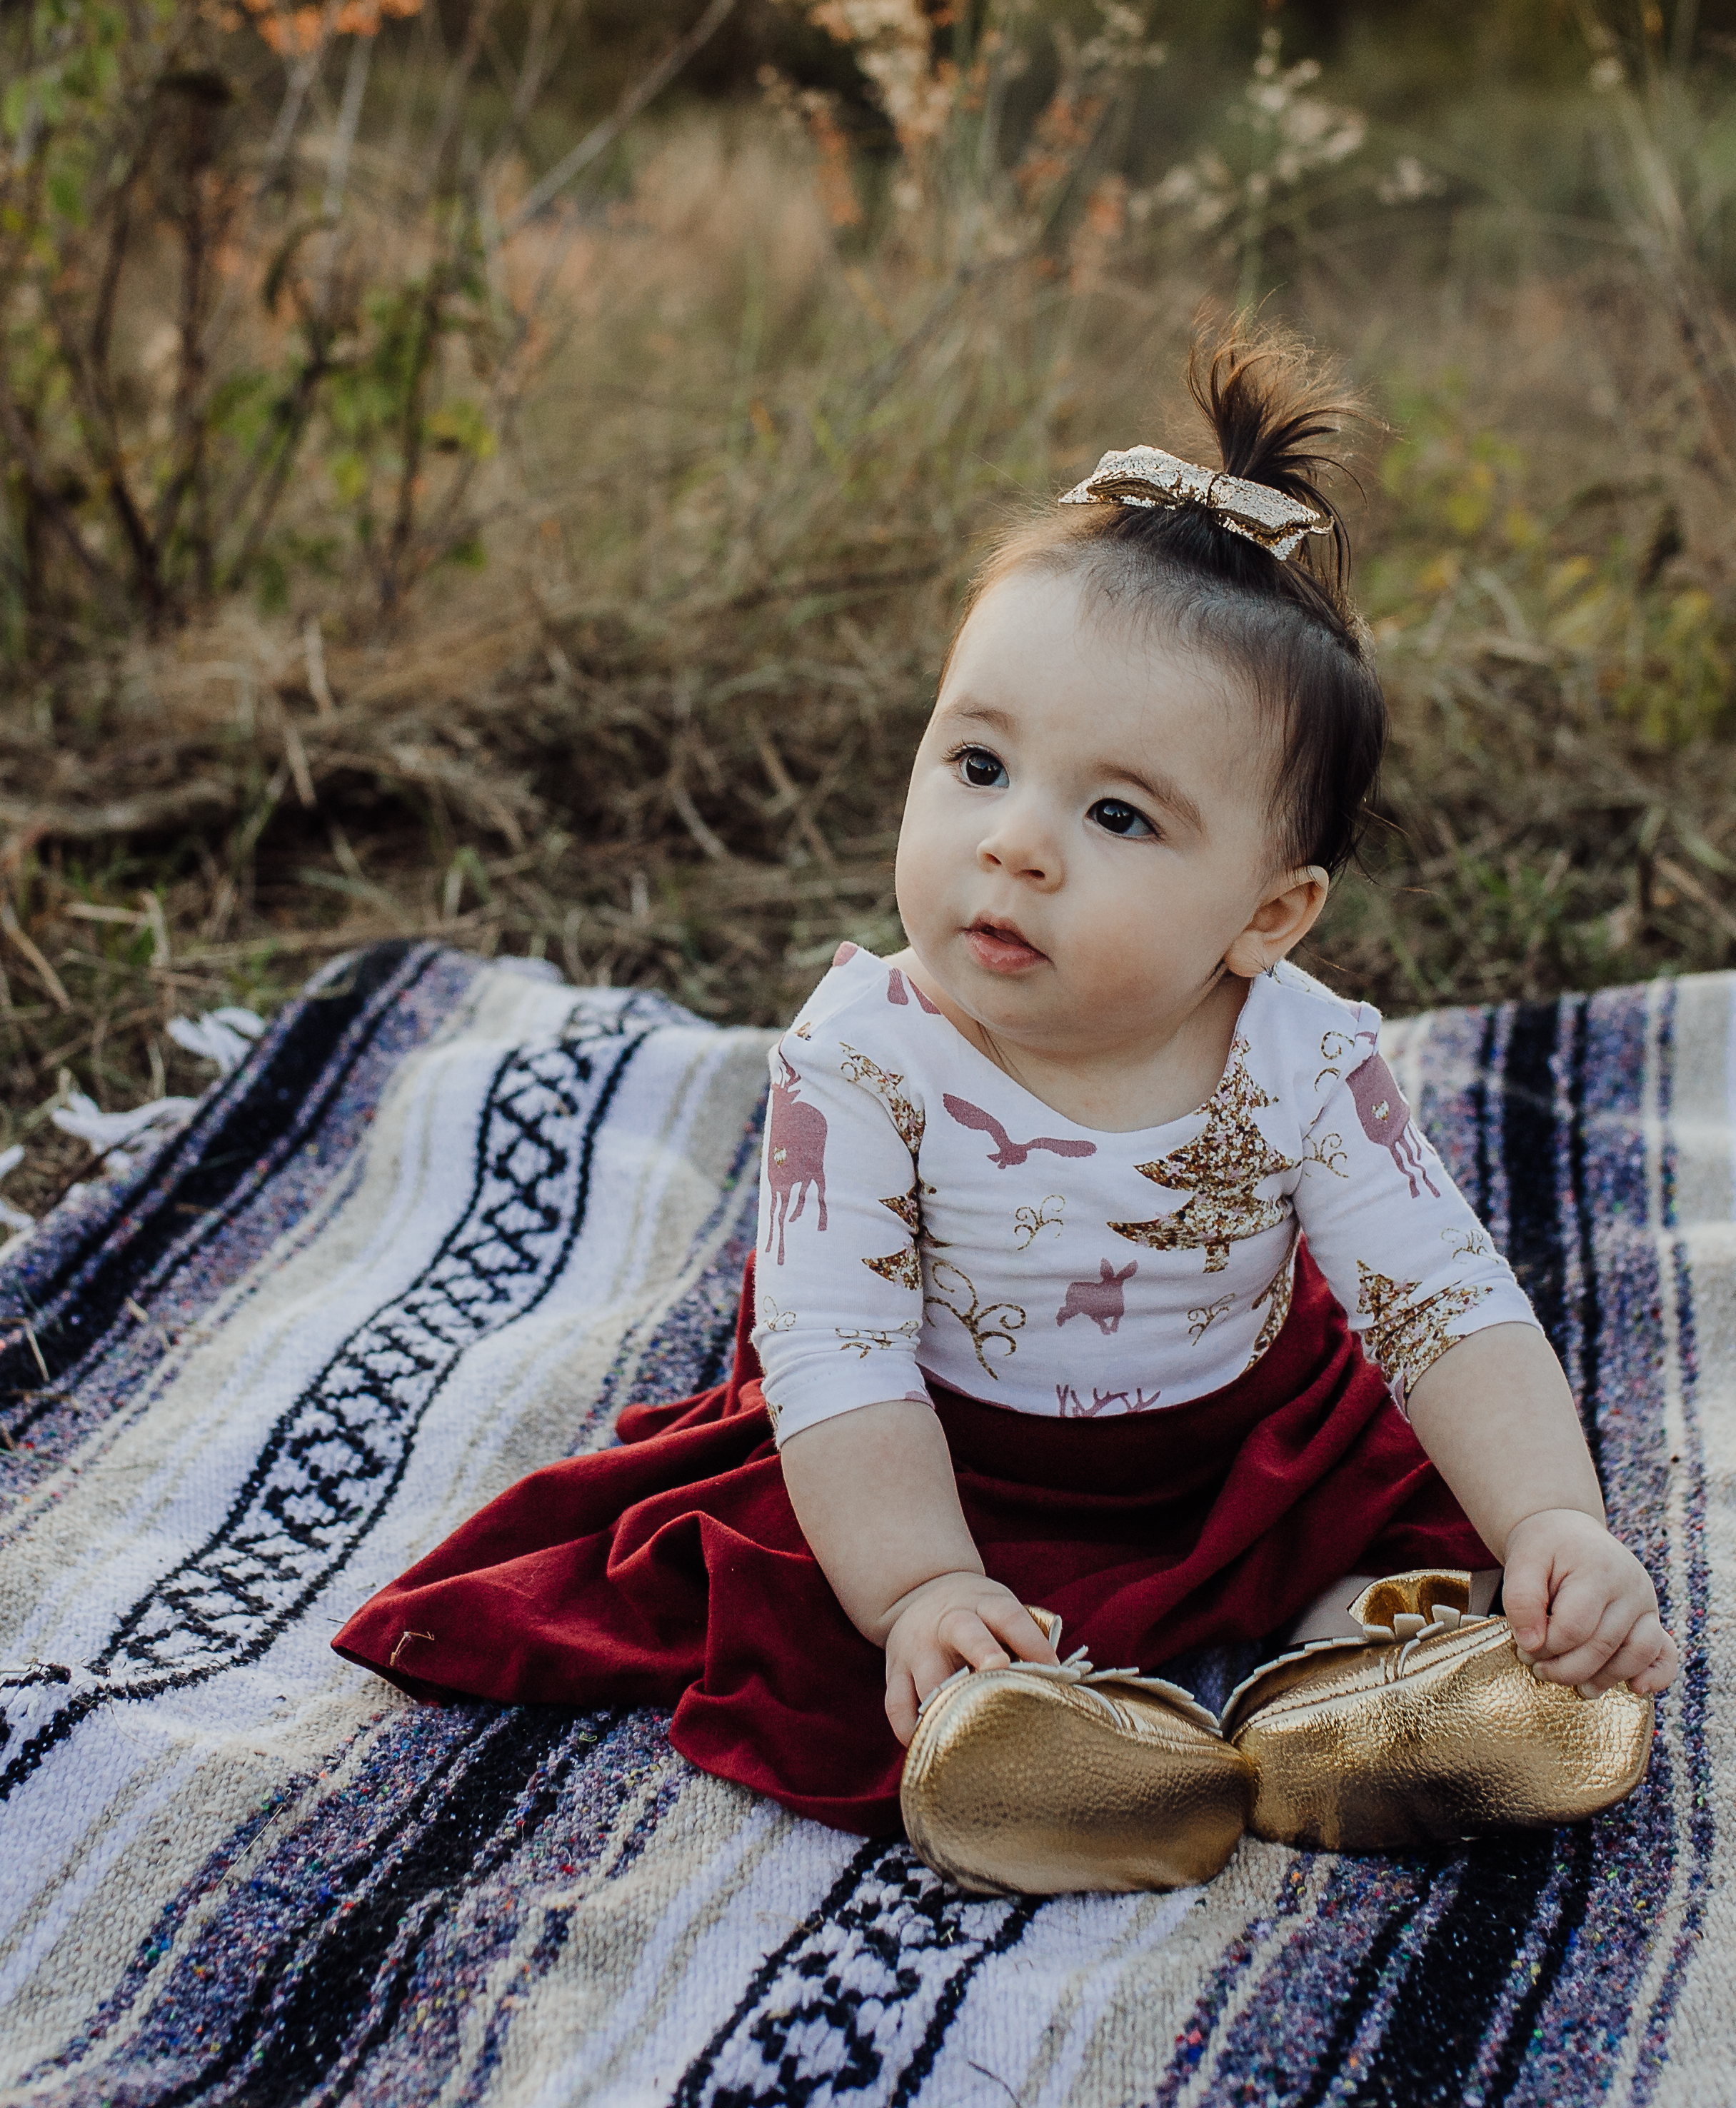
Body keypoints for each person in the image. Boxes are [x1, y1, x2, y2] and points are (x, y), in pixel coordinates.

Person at [334, 328, 1674, 1894]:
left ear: (1268, 915)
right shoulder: (864, 1059)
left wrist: (1556, 1522)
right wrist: (916, 1587)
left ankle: (1367, 1687)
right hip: (941, 1458)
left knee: (1413, 1504)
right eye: (977, 764)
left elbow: (1440, 1302)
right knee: (836, 1613)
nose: (1015, 845)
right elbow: (836, 1353)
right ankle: (1029, 1730)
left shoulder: (1301, 1056)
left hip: (1244, 1439)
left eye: (1115, 814)